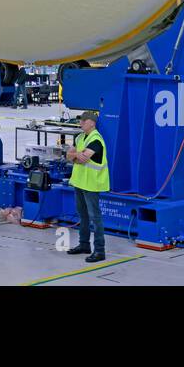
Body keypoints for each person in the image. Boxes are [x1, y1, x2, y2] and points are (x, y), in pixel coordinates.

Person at [65, 110, 108, 262]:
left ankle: (100, 250)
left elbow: (82, 159)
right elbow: (68, 156)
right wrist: (76, 154)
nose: (81, 123)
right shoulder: (80, 137)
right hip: (79, 182)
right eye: (81, 120)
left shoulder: (96, 140)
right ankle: (84, 245)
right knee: (82, 215)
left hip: (92, 184)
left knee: (95, 218)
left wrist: (75, 155)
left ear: (92, 123)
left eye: (84, 120)